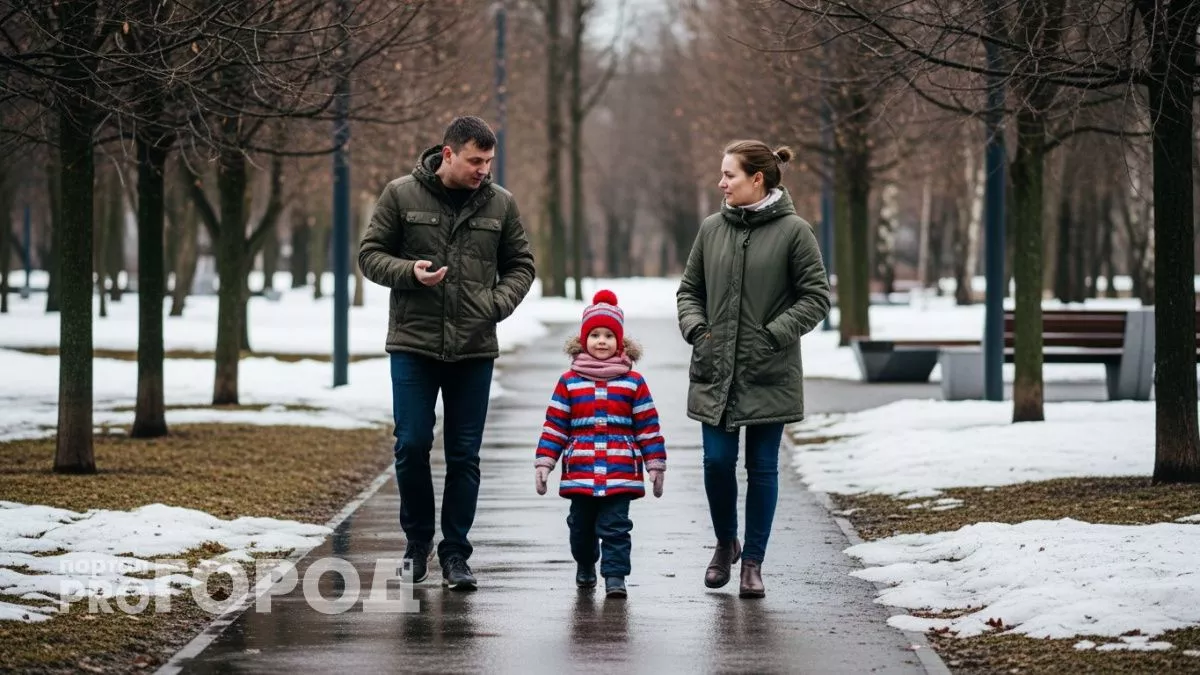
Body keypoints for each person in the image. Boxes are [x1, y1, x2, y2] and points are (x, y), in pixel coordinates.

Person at [358, 116, 535, 591]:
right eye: (476, 161)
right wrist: (409, 272)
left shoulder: (501, 204)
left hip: (474, 348)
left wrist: (495, 306)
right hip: (414, 344)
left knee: (464, 455)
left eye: (489, 162)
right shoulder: (400, 195)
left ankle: (456, 552)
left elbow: (521, 265)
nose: (484, 170)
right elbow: (370, 255)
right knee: (412, 444)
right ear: (449, 154)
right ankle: (417, 543)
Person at [676, 140, 831, 599]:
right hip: (715, 367)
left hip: (769, 369)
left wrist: (772, 335)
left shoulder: (795, 232)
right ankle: (726, 543)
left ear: (757, 179)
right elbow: (689, 290)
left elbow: (816, 296)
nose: (721, 183)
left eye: (730, 175)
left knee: (762, 468)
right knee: (716, 463)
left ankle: (753, 564)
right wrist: (697, 329)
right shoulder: (710, 229)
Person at [534, 290, 667, 598]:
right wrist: (545, 463)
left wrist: (655, 464)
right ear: (584, 340)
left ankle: (615, 577)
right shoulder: (569, 382)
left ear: (620, 342)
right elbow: (555, 426)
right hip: (580, 473)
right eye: (595, 335)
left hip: (620, 473)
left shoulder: (633, 383)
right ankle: (585, 563)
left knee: (616, 528)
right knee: (580, 527)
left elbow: (648, 427)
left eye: (609, 335)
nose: (602, 341)